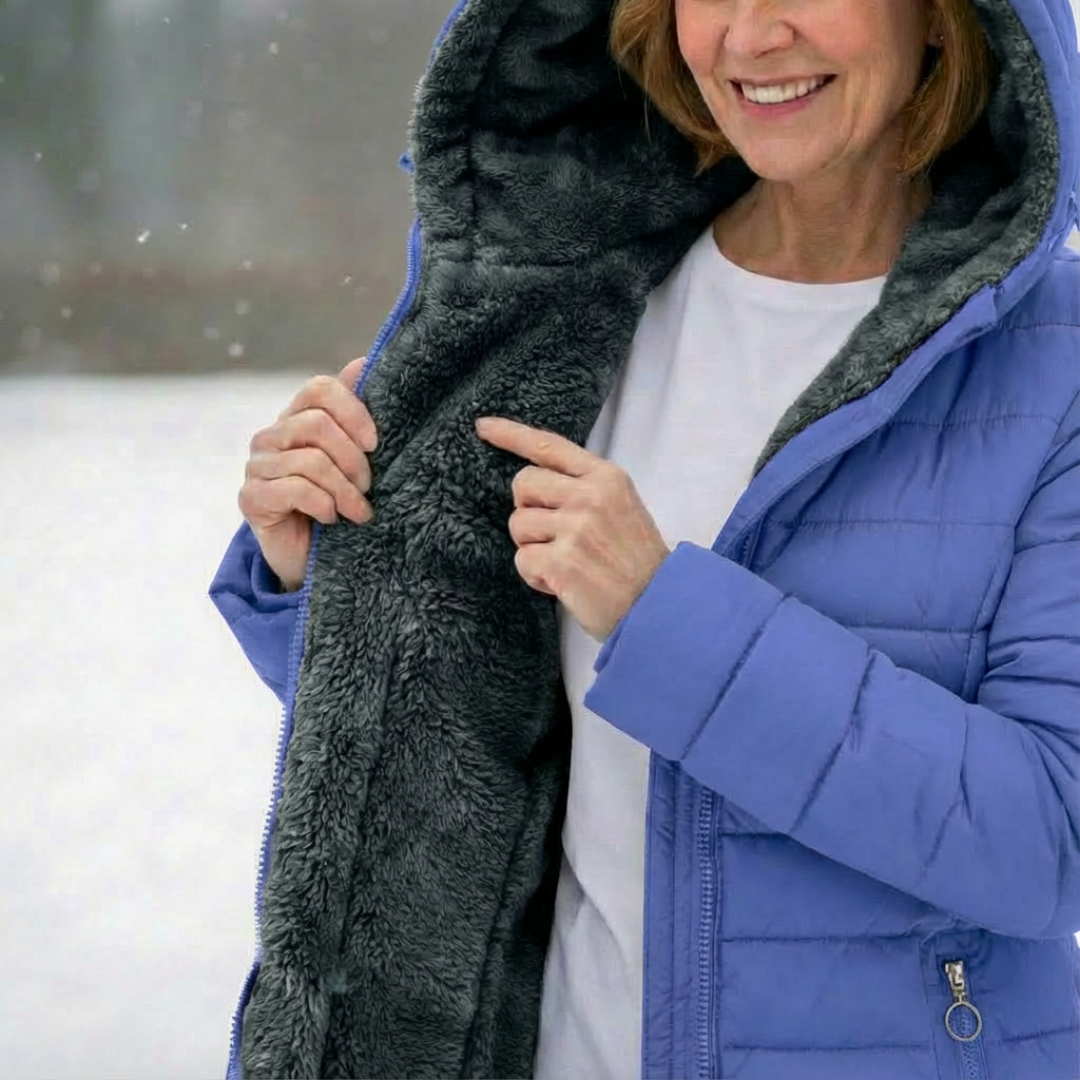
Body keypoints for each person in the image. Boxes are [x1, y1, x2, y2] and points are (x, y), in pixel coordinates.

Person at [209, 0, 1080, 1076]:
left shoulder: (1056, 362)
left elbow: (1051, 841)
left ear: (943, 18)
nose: (751, 34)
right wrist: (330, 575)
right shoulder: (573, 295)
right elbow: (467, 738)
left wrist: (664, 616)